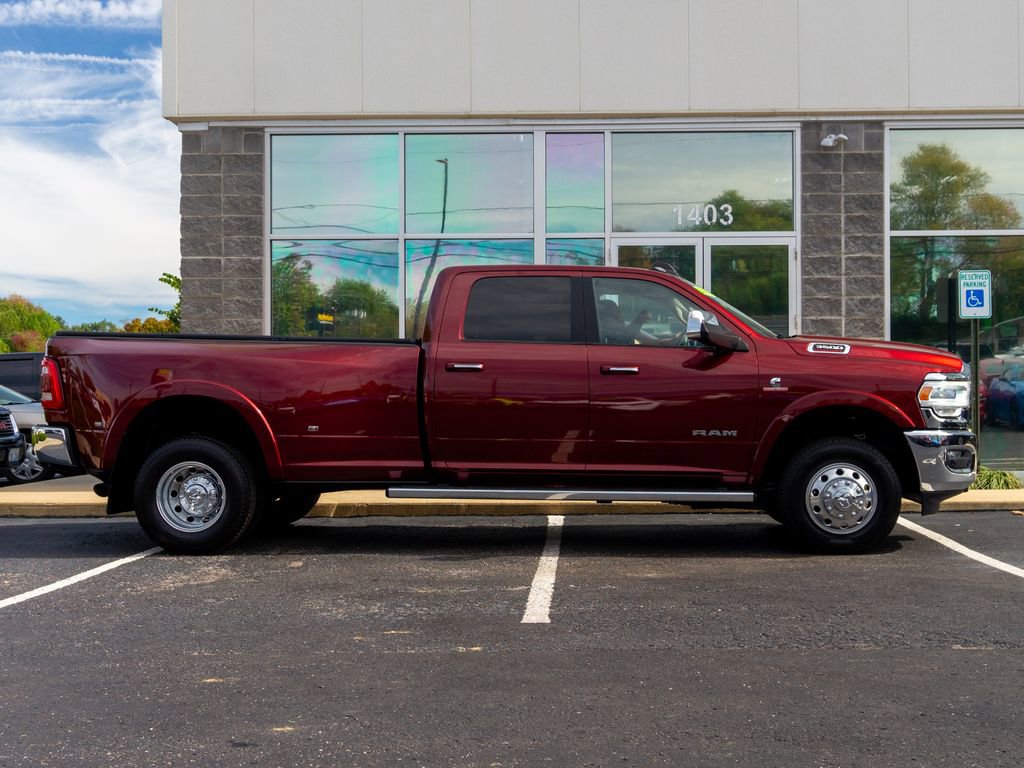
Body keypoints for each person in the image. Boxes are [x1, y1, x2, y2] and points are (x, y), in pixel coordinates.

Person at [597, 299, 682, 346]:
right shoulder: (610, 332)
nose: (619, 316)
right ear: (602, 319)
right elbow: (626, 336)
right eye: (615, 313)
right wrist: (639, 320)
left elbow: (643, 340)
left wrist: (668, 340)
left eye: (618, 311)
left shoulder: (622, 328)